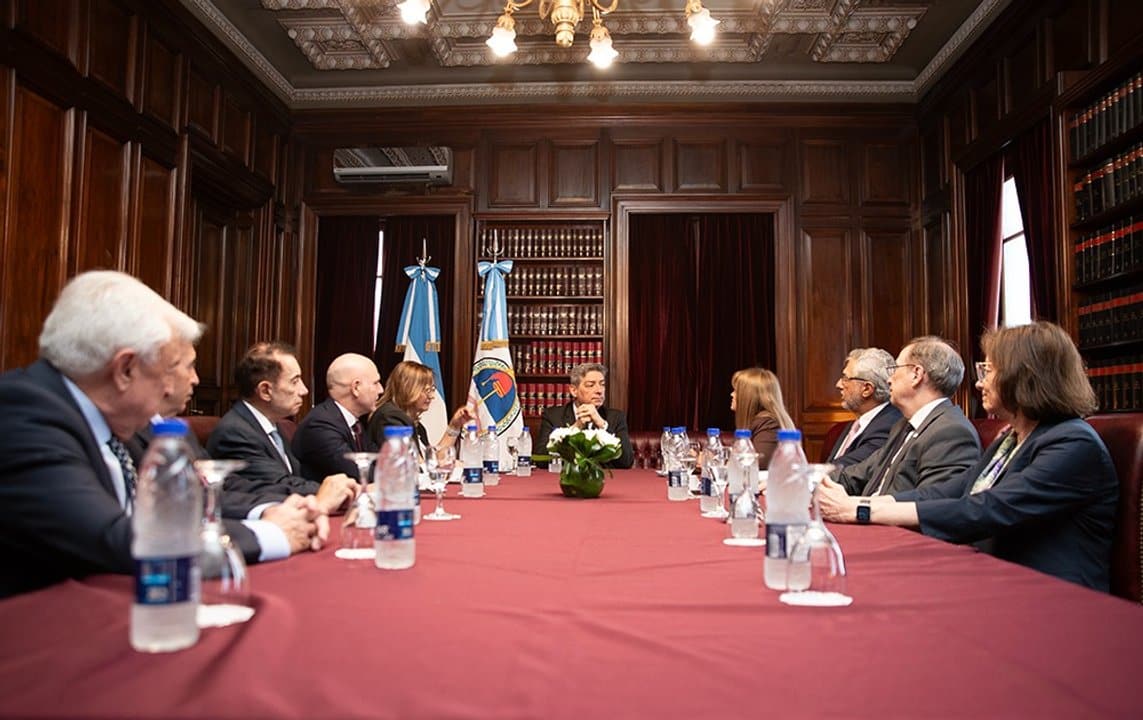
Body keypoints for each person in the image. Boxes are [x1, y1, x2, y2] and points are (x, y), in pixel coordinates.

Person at [0, 271, 325, 599]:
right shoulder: (22, 414)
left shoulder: (114, 418)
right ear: (126, 370)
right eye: (173, 368)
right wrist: (270, 534)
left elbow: (191, 498)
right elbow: (113, 536)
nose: (186, 383)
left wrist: (269, 513)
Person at [818, 322, 1118, 591]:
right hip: (998, 579)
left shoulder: (1074, 443)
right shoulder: (1011, 439)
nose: (979, 383)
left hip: (1053, 596)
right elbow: (949, 492)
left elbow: (986, 509)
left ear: (1024, 376)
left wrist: (860, 511)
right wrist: (858, 505)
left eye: (989, 371)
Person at [207, 342, 359, 515]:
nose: (304, 390)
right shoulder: (235, 433)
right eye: (295, 381)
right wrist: (336, 492)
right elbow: (279, 484)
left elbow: (296, 478)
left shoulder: (274, 426)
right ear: (265, 391)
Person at [833, 336, 981, 496]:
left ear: (916, 374)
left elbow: (928, 503)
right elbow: (855, 476)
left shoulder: (951, 432)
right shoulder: (903, 425)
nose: (889, 379)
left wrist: (857, 506)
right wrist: (813, 480)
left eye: (895, 369)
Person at [292, 353, 382, 481]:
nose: (381, 390)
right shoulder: (320, 425)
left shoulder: (354, 424)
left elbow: (379, 461)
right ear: (356, 388)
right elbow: (361, 475)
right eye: (376, 383)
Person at [366, 360, 474, 461]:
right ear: (408, 388)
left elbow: (433, 460)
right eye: (427, 390)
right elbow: (410, 464)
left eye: (432, 390)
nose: (432, 396)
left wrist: (454, 426)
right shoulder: (390, 417)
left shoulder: (417, 426)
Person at [536, 363, 634, 469]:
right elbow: (540, 460)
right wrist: (575, 429)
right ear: (574, 390)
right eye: (591, 385)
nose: (599, 391)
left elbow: (626, 462)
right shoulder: (553, 416)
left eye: (602, 384)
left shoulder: (616, 417)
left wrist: (602, 425)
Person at [826, 347, 903, 469]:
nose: (839, 384)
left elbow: (846, 469)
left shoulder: (888, 426)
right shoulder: (856, 424)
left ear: (867, 389)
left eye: (846, 379)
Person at [730, 367, 794, 468]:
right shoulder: (760, 422)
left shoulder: (769, 425)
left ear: (749, 396)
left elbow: (757, 465)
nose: (732, 394)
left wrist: (722, 461)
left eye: (736, 391)